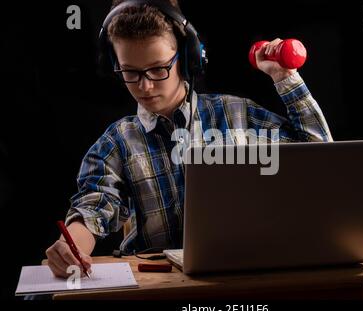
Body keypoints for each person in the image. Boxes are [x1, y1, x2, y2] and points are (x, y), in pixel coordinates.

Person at [45, 0, 333, 278]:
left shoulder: (238, 114)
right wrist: (70, 246)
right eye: (130, 72)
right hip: (157, 286)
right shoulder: (117, 141)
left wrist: (284, 76)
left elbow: (321, 162)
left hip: (244, 277)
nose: (145, 86)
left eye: (158, 69)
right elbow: (95, 206)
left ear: (188, 58)